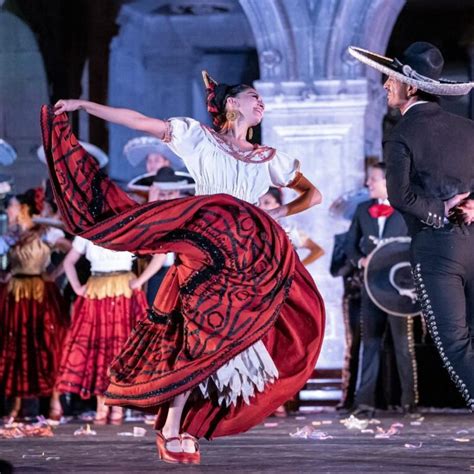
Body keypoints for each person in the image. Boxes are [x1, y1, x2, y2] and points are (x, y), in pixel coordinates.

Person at [42, 70, 325, 465]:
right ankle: (173, 426)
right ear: (231, 104)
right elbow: (140, 120)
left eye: (262, 101)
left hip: (248, 257)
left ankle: (188, 423)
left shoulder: (269, 158)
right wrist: (83, 105)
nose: (261, 104)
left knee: (234, 339)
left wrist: (280, 209)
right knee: (200, 334)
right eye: (254, 97)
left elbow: (313, 194)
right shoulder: (197, 137)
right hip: (205, 250)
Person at [349, 42, 474, 410]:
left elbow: (400, 196)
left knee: (454, 342)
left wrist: (440, 210)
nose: (386, 85)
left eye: (391, 79)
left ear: (412, 86)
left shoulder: (402, 132)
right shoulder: (469, 128)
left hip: (439, 250)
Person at [55, 236, 157, 424]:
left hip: (122, 292)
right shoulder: (87, 232)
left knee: (119, 348)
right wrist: (77, 287)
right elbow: (69, 261)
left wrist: (140, 280)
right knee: (96, 348)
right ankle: (100, 405)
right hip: (97, 291)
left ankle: (117, 406)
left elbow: (159, 255)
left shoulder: (127, 227)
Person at [345, 162, 418, 416]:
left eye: (373, 179)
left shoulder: (407, 210)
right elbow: (350, 246)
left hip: (400, 290)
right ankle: (364, 402)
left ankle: (410, 403)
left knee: (403, 345)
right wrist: (360, 260)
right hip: (371, 286)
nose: (368, 184)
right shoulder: (362, 210)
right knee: (370, 342)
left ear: (388, 181)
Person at [0, 189, 68, 420]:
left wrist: (56, 272)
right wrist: (7, 273)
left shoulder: (44, 233)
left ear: (25, 209)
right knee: (16, 345)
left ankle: (53, 402)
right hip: (16, 296)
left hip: (39, 295)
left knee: (45, 343)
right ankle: (16, 405)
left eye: (13, 206)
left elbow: (72, 250)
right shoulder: (11, 236)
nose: (9, 211)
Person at [258, 187, 324, 266]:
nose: (260, 207)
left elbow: (318, 251)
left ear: (278, 205)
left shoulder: (288, 231)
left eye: (267, 202)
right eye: (257, 203)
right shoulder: (249, 225)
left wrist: (296, 268)